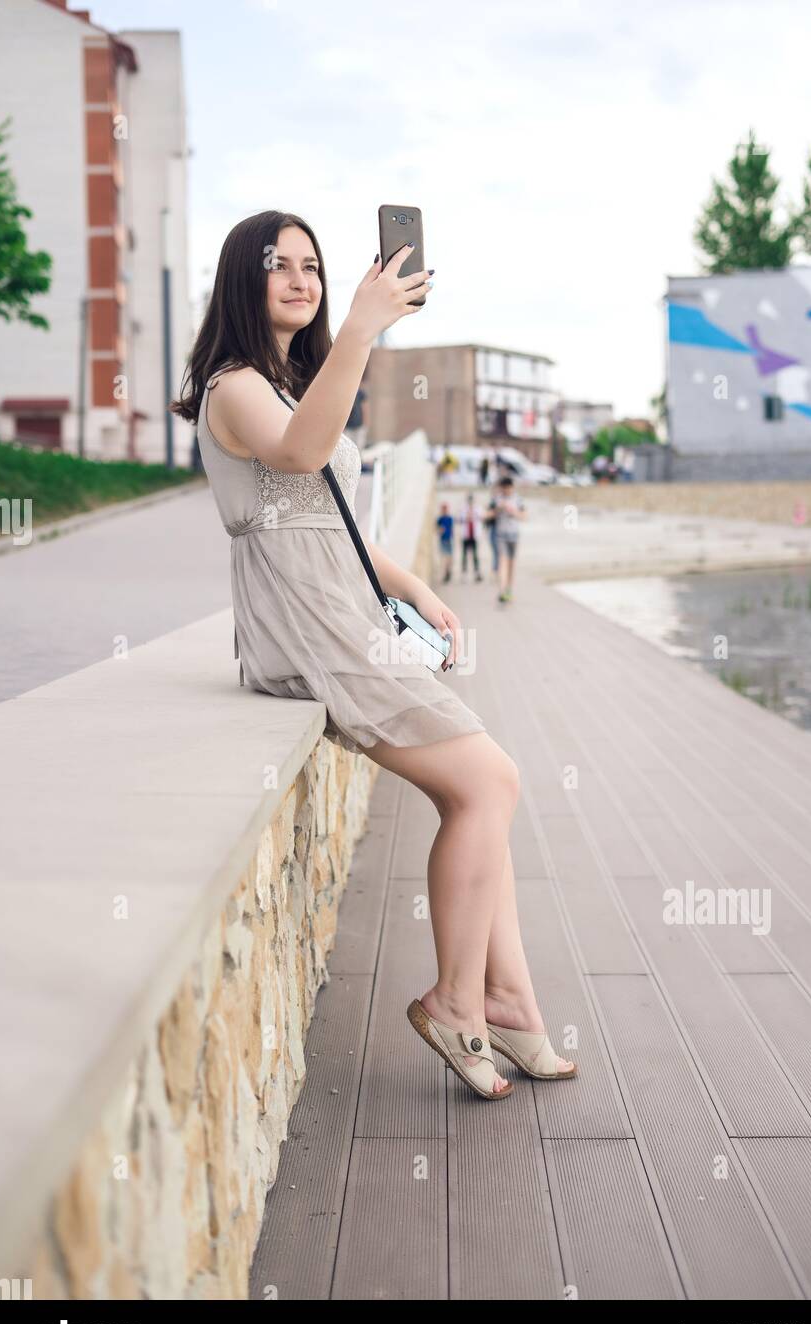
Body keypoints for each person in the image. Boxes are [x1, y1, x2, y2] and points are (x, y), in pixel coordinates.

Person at [170, 210, 573, 1101]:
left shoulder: (287, 379)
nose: (301, 280)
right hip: (307, 624)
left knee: (482, 793)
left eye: (312, 266)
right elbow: (303, 455)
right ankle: (457, 1000)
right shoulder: (236, 385)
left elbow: (330, 515)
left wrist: (417, 589)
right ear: (244, 278)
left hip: (348, 609)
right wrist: (362, 324)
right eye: (280, 266)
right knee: (491, 782)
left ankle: (506, 997)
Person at [491, 475, 525, 603]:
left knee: (511, 564)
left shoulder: (518, 499)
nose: (507, 491)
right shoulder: (497, 499)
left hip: (514, 534)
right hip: (501, 535)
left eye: (509, 488)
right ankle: (502, 590)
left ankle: (509, 589)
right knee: (502, 562)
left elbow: (524, 516)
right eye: (504, 488)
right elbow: (488, 513)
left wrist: (514, 512)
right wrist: (498, 509)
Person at [457, 492, 484, 582]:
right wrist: (466, 517)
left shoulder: (478, 509)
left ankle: (477, 572)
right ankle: (464, 573)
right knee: (464, 555)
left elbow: (481, 518)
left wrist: (474, 514)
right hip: (466, 535)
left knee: (475, 555)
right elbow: (459, 520)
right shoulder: (463, 509)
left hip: (474, 535)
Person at [345, 384, 367, 451]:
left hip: (359, 425)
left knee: (359, 446)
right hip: (348, 425)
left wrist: (365, 424)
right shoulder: (347, 392)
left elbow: (365, 408)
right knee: (348, 447)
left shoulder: (360, 393)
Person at [435, 502, 454, 583]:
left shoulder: (449, 518)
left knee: (449, 557)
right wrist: (440, 530)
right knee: (444, 557)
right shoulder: (440, 519)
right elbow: (436, 528)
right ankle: (445, 573)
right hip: (443, 540)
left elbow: (451, 529)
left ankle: (448, 571)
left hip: (448, 539)